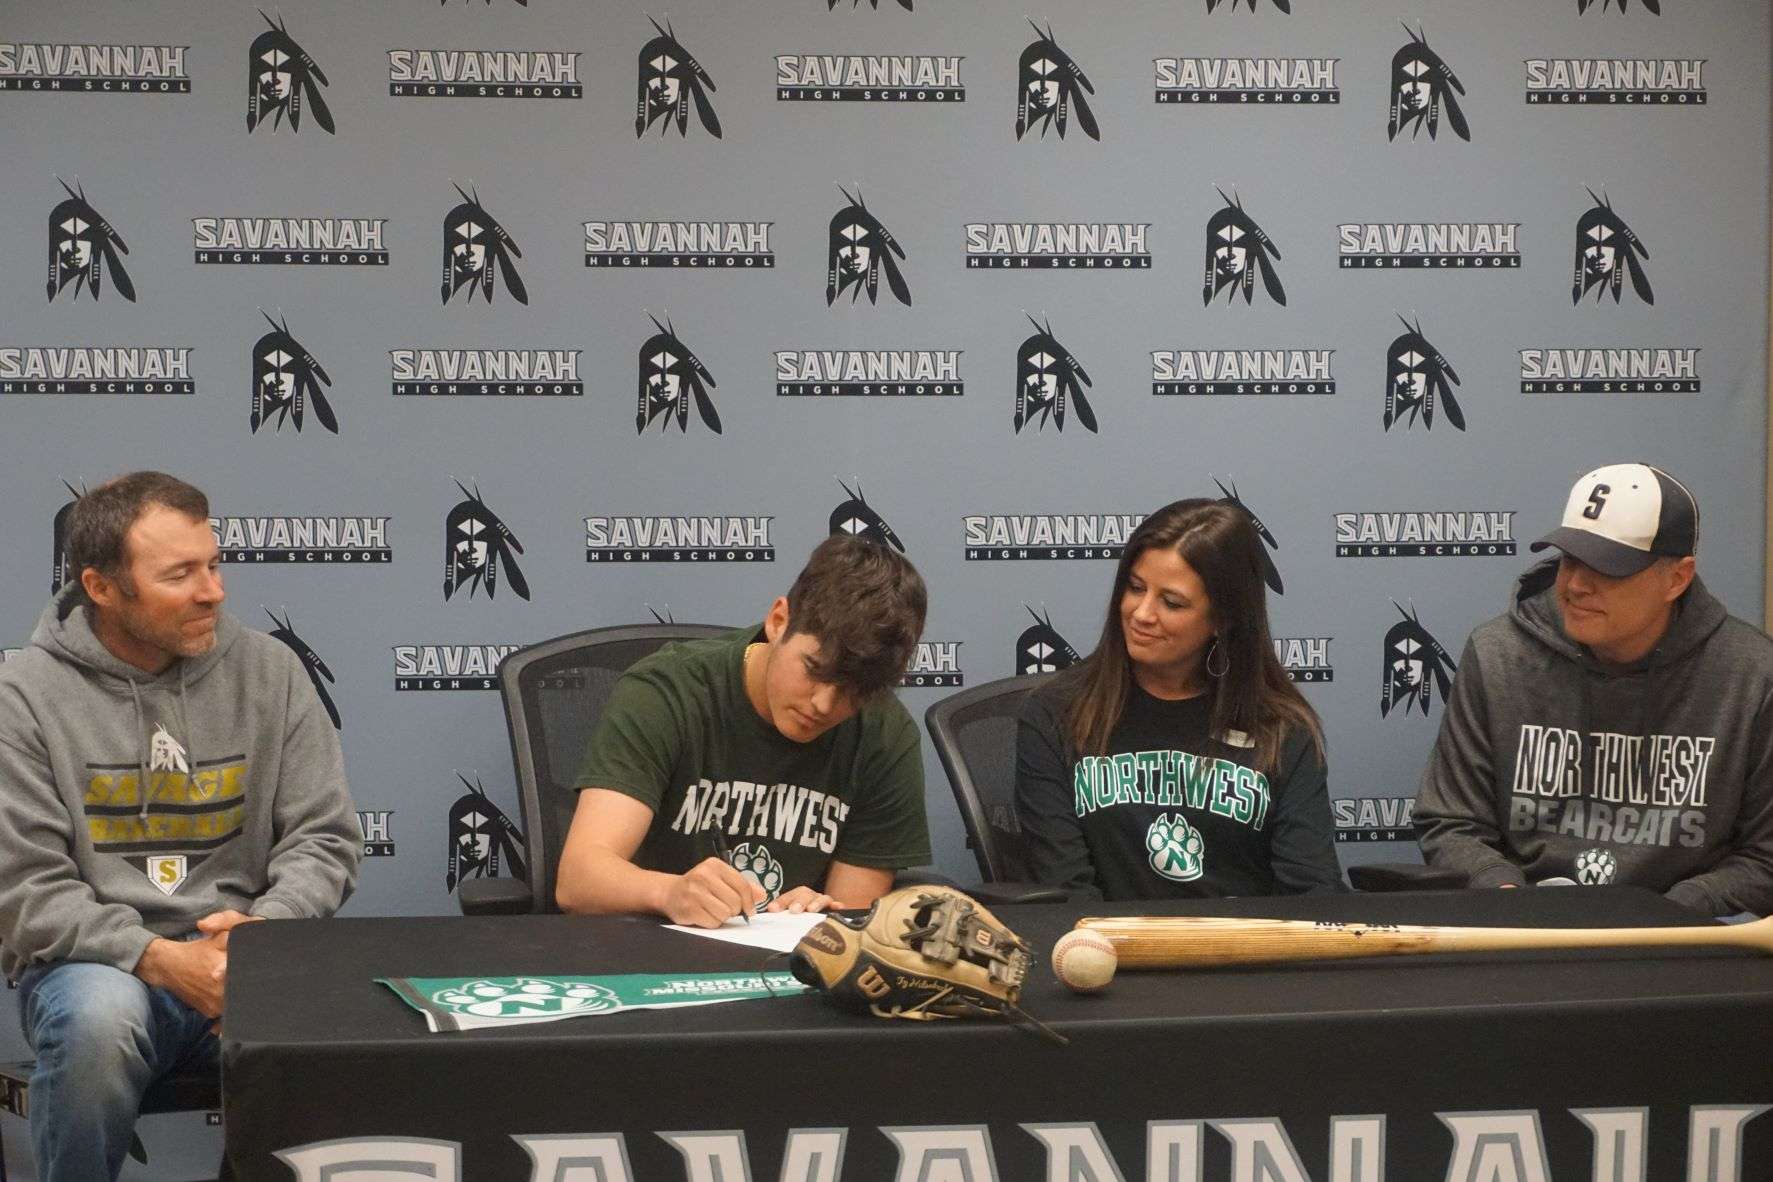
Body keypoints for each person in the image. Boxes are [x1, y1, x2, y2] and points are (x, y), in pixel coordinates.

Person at [0, 471, 361, 1182]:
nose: (213, 592)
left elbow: (324, 836)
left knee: (356, 1024)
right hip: (96, 968)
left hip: (249, 958)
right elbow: (25, 888)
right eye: (180, 575)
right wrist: (164, 960)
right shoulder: (23, 696)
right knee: (98, 1021)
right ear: (102, 588)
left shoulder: (270, 670)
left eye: (214, 564)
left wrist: (261, 937)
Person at [1416, 463, 1773, 915]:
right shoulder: (1497, 654)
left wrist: (1672, 912)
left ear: (1677, 579)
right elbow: (1451, 821)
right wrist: (1507, 899)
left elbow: (1765, 856)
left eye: (1609, 568)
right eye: (1571, 559)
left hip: (1682, 938)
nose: (1577, 585)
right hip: (1523, 932)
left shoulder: (1753, 674)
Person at [558, 534, 932, 927]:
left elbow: (853, 924)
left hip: (787, 965)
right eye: (814, 670)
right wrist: (668, 892)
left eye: (854, 691)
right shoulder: (666, 693)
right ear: (778, 621)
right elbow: (578, 881)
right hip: (649, 954)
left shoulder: (885, 733)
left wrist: (817, 914)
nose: (824, 705)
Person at [1015, 499, 1344, 900]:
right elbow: (1063, 891)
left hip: (1247, 952)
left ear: (1223, 619)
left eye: (1171, 602)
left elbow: (1311, 890)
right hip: (1108, 952)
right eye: (1135, 588)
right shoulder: (1056, 713)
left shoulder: (1281, 729)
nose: (1141, 613)